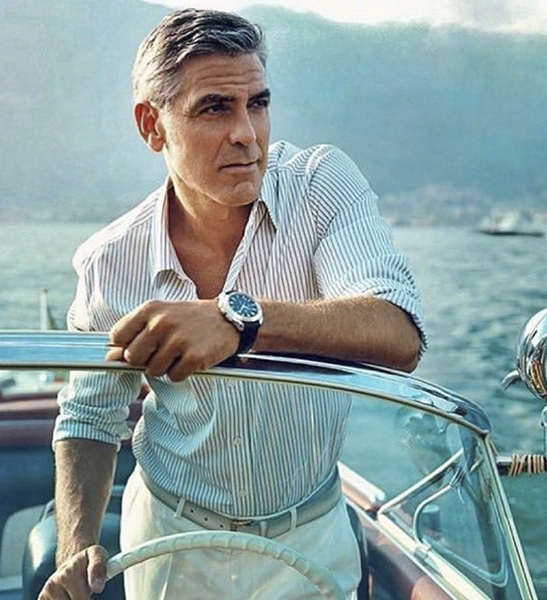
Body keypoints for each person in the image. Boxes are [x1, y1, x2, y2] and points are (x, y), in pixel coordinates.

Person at [39, 8, 426, 600]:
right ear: (152, 126)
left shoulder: (321, 185)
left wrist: (236, 320)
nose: (246, 132)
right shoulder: (109, 261)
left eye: (258, 104)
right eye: (215, 108)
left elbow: (398, 332)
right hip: (170, 537)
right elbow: (90, 417)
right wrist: (75, 547)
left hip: (310, 533)